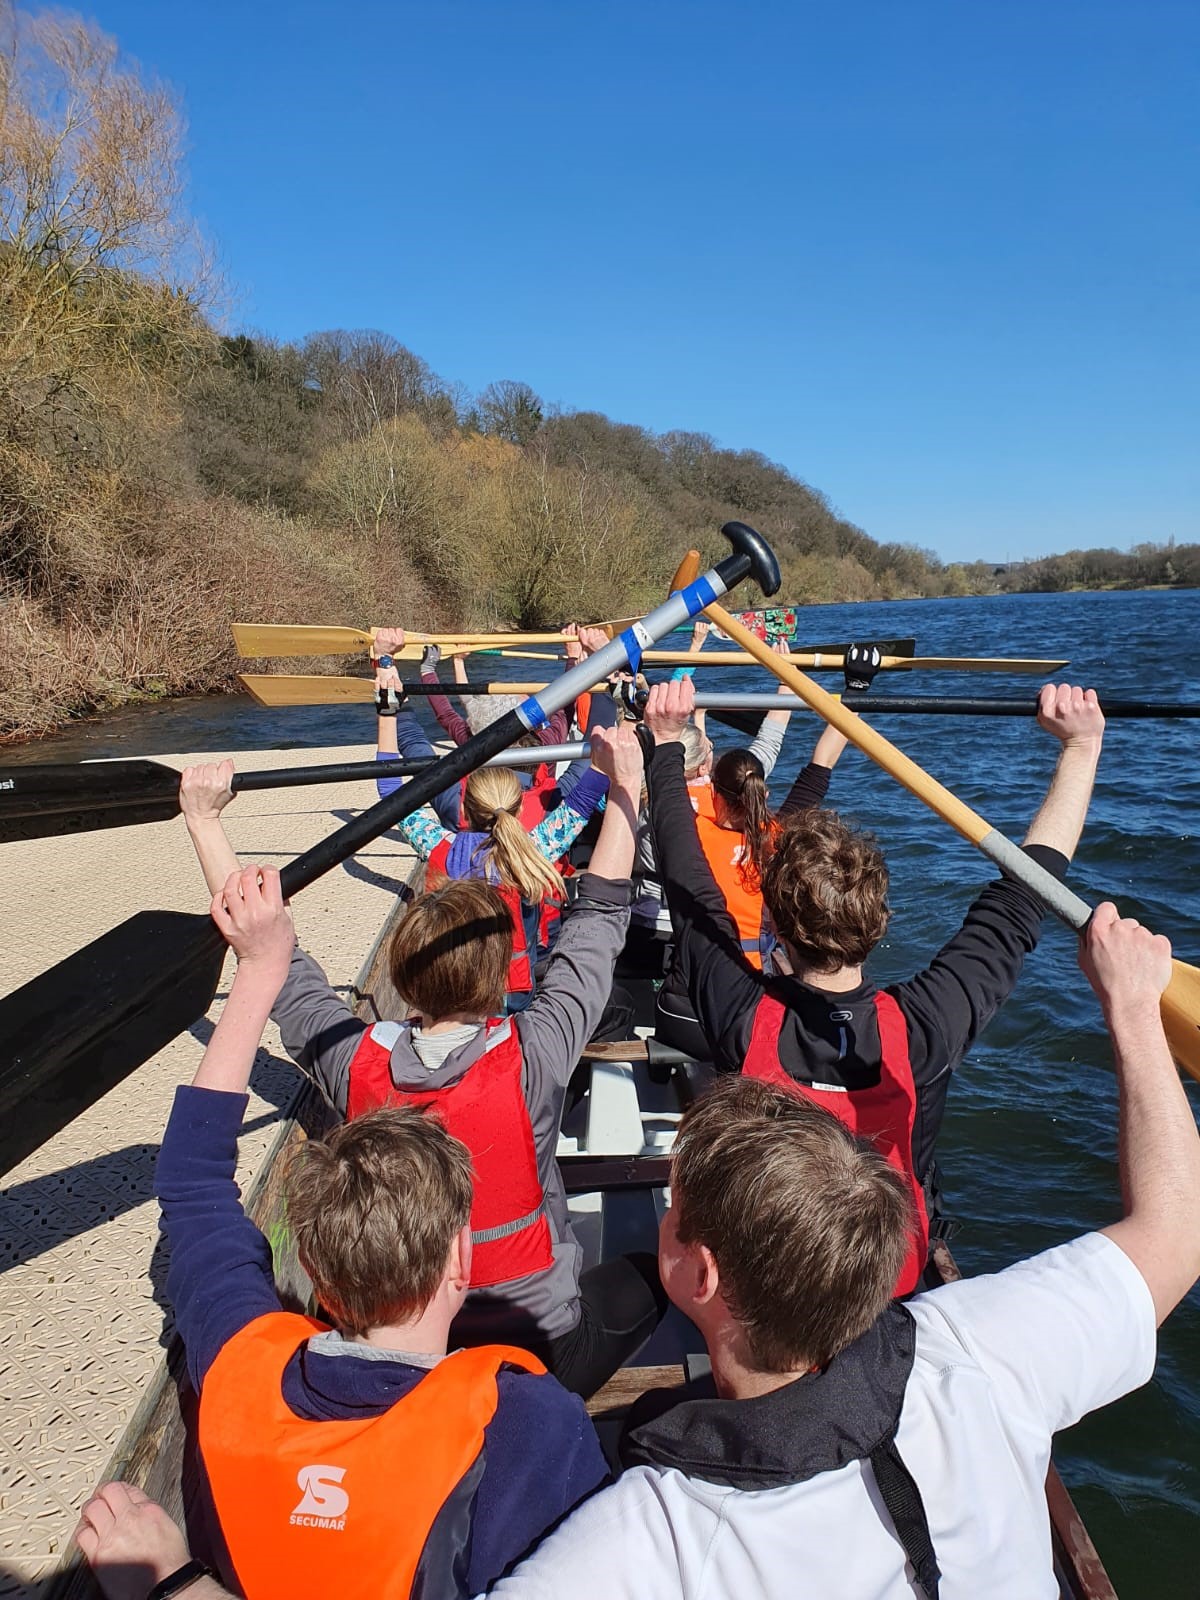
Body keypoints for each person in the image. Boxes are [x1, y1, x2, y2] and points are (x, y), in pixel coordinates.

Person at [81, 909, 1200, 1600]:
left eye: (670, 1207)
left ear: (698, 1275)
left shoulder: (638, 1538)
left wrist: (173, 1580)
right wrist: (1137, 1019)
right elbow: (1173, 1233)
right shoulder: (983, 1345)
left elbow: (190, 1185)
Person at [151, 862, 608, 1597]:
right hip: (540, 1327)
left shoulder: (245, 1360)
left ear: (315, 1271)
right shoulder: (529, 1421)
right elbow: (191, 1179)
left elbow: (191, 1183)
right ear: (461, 1254)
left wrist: (259, 958)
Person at [178, 723, 667, 1397]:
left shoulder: (353, 1061)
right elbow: (597, 924)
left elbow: (273, 963)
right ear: (499, 980)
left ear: (404, 980)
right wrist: (627, 783)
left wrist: (202, 823)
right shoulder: (536, 1050)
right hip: (537, 1346)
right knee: (647, 1277)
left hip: (417, 1356)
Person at [643, 677, 1105, 1294]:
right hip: (888, 1282)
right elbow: (1026, 894)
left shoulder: (741, 1012)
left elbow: (685, 871)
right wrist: (1081, 749)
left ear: (774, 917)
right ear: (880, 921)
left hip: (772, 1288)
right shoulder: (925, 1026)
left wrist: (666, 743)